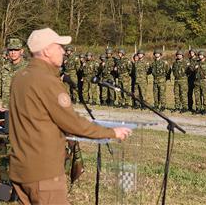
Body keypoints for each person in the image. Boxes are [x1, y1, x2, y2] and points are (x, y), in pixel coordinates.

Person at [9, 28, 132, 204]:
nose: (63, 51)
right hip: (43, 173)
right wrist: (111, 132)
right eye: (58, 46)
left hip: (20, 169)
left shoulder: (20, 77)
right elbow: (72, 123)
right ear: (45, 51)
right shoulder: (48, 81)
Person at [1, 38, 29, 108]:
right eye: (10, 50)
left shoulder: (29, 68)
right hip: (5, 109)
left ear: (21, 51)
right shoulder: (4, 68)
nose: (13, 52)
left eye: (16, 50)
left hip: (23, 109)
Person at [193, 50, 206, 114]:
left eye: (201, 55)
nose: (200, 56)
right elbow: (191, 70)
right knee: (197, 95)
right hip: (197, 81)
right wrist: (195, 68)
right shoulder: (196, 63)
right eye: (199, 55)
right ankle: (198, 108)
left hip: (204, 81)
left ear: (204, 56)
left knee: (205, 95)